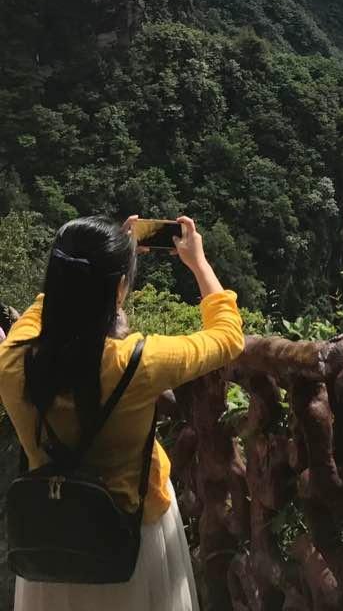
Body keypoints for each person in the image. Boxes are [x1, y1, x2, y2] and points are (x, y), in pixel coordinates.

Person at [0, 214, 245, 611]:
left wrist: (98, 266)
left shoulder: (10, 361)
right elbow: (228, 336)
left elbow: (42, 310)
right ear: (118, 288)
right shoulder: (138, 363)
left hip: (48, 542)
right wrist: (198, 262)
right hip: (130, 538)